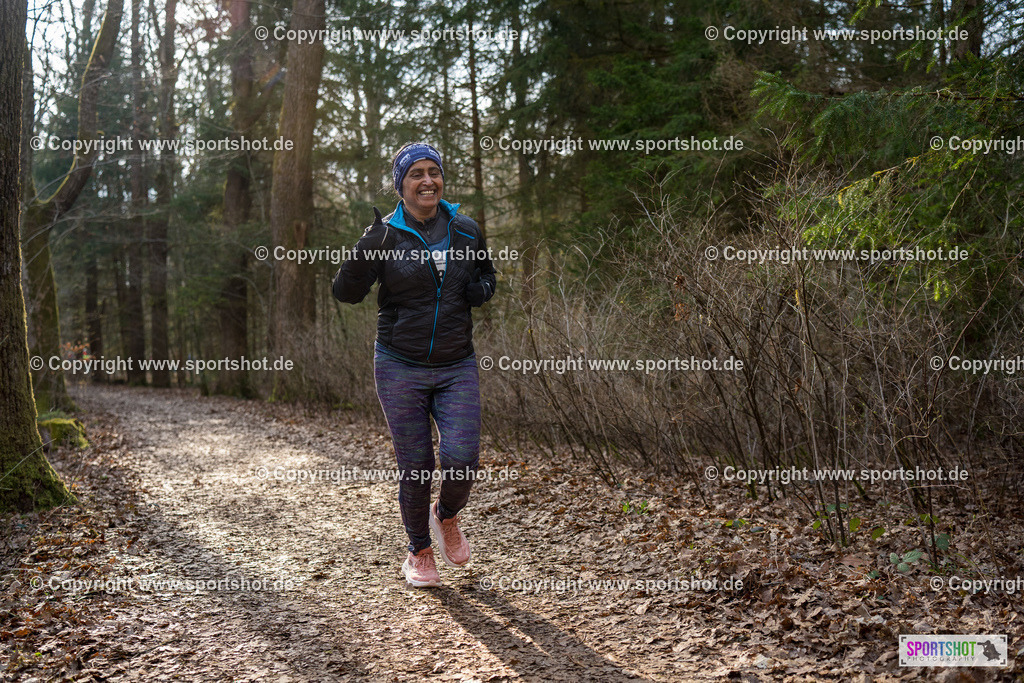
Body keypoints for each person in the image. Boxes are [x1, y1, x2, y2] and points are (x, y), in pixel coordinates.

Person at [332, 143, 497, 588]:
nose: (427, 181)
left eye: (434, 172)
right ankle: (419, 552)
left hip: (455, 362)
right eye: (416, 175)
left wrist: (481, 291)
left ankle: (446, 517)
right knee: (417, 465)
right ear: (400, 185)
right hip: (399, 364)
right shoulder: (385, 235)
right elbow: (346, 293)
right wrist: (364, 250)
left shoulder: (464, 229)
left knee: (462, 458)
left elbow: (487, 275)